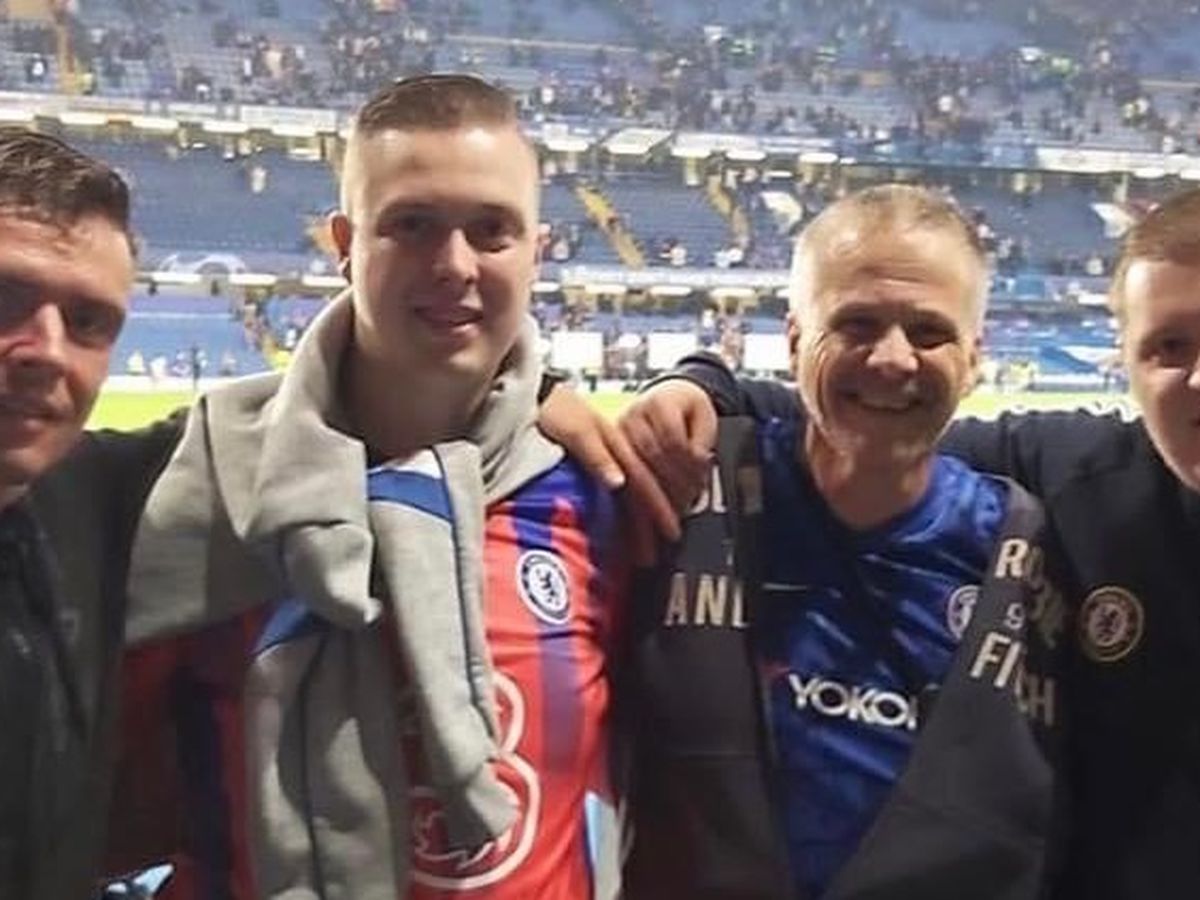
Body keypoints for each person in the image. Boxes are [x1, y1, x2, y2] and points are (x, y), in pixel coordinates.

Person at [106, 74, 627, 899]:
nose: (453, 265)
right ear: (345, 243)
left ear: (538, 249)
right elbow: (98, 793)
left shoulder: (601, 493)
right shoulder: (204, 486)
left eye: (491, 230)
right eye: (412, 225)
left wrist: (698, 384)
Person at [617, 187, 1200, 900]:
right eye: (1170, 347)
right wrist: (698, 383)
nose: (893, 359)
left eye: (927, 332)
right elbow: (863, 426)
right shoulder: (1078, 479)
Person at [0, 129, 178, 899]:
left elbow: (324, 403)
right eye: (5, 299)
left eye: (88, 323)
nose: (47, 350)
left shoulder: (88, 495)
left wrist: (521, 388)